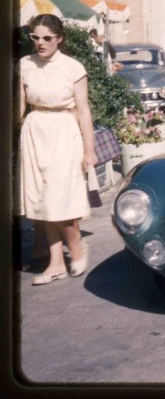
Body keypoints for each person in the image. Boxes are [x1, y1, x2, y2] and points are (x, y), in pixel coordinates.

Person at [17, 14, 97, 285]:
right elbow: (20, 105)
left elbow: (84, 110)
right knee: (41, 198)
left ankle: (75, 245)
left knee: (56, 197)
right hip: (35, 130)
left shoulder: (73, 67)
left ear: (59, 38)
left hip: (63, 131)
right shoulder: (25, 64)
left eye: (47, 38)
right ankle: (55, 263)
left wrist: (89, 150)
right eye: (35, 37)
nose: (41, 43)